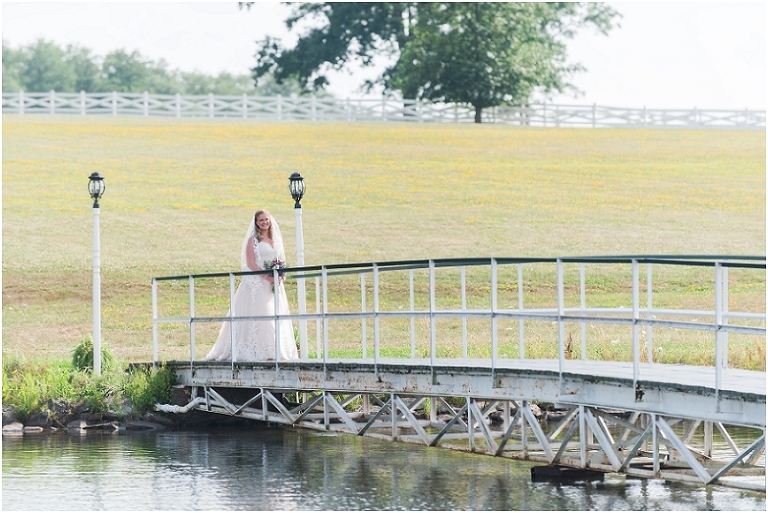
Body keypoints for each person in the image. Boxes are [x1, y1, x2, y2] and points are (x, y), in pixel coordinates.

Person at [202, 210, 298, 362]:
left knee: (275, 315)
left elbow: (282, 260)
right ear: (256, 223)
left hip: (273, 284)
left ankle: (275, 350)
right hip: (257, 283)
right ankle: (257, 350)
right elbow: (251, 263)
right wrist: (267, 276)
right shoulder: (253, 241)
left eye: (266, 219)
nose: (264, 222)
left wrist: (280, 275)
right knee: (262, 316)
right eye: (261, 220)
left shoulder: (276, 239)